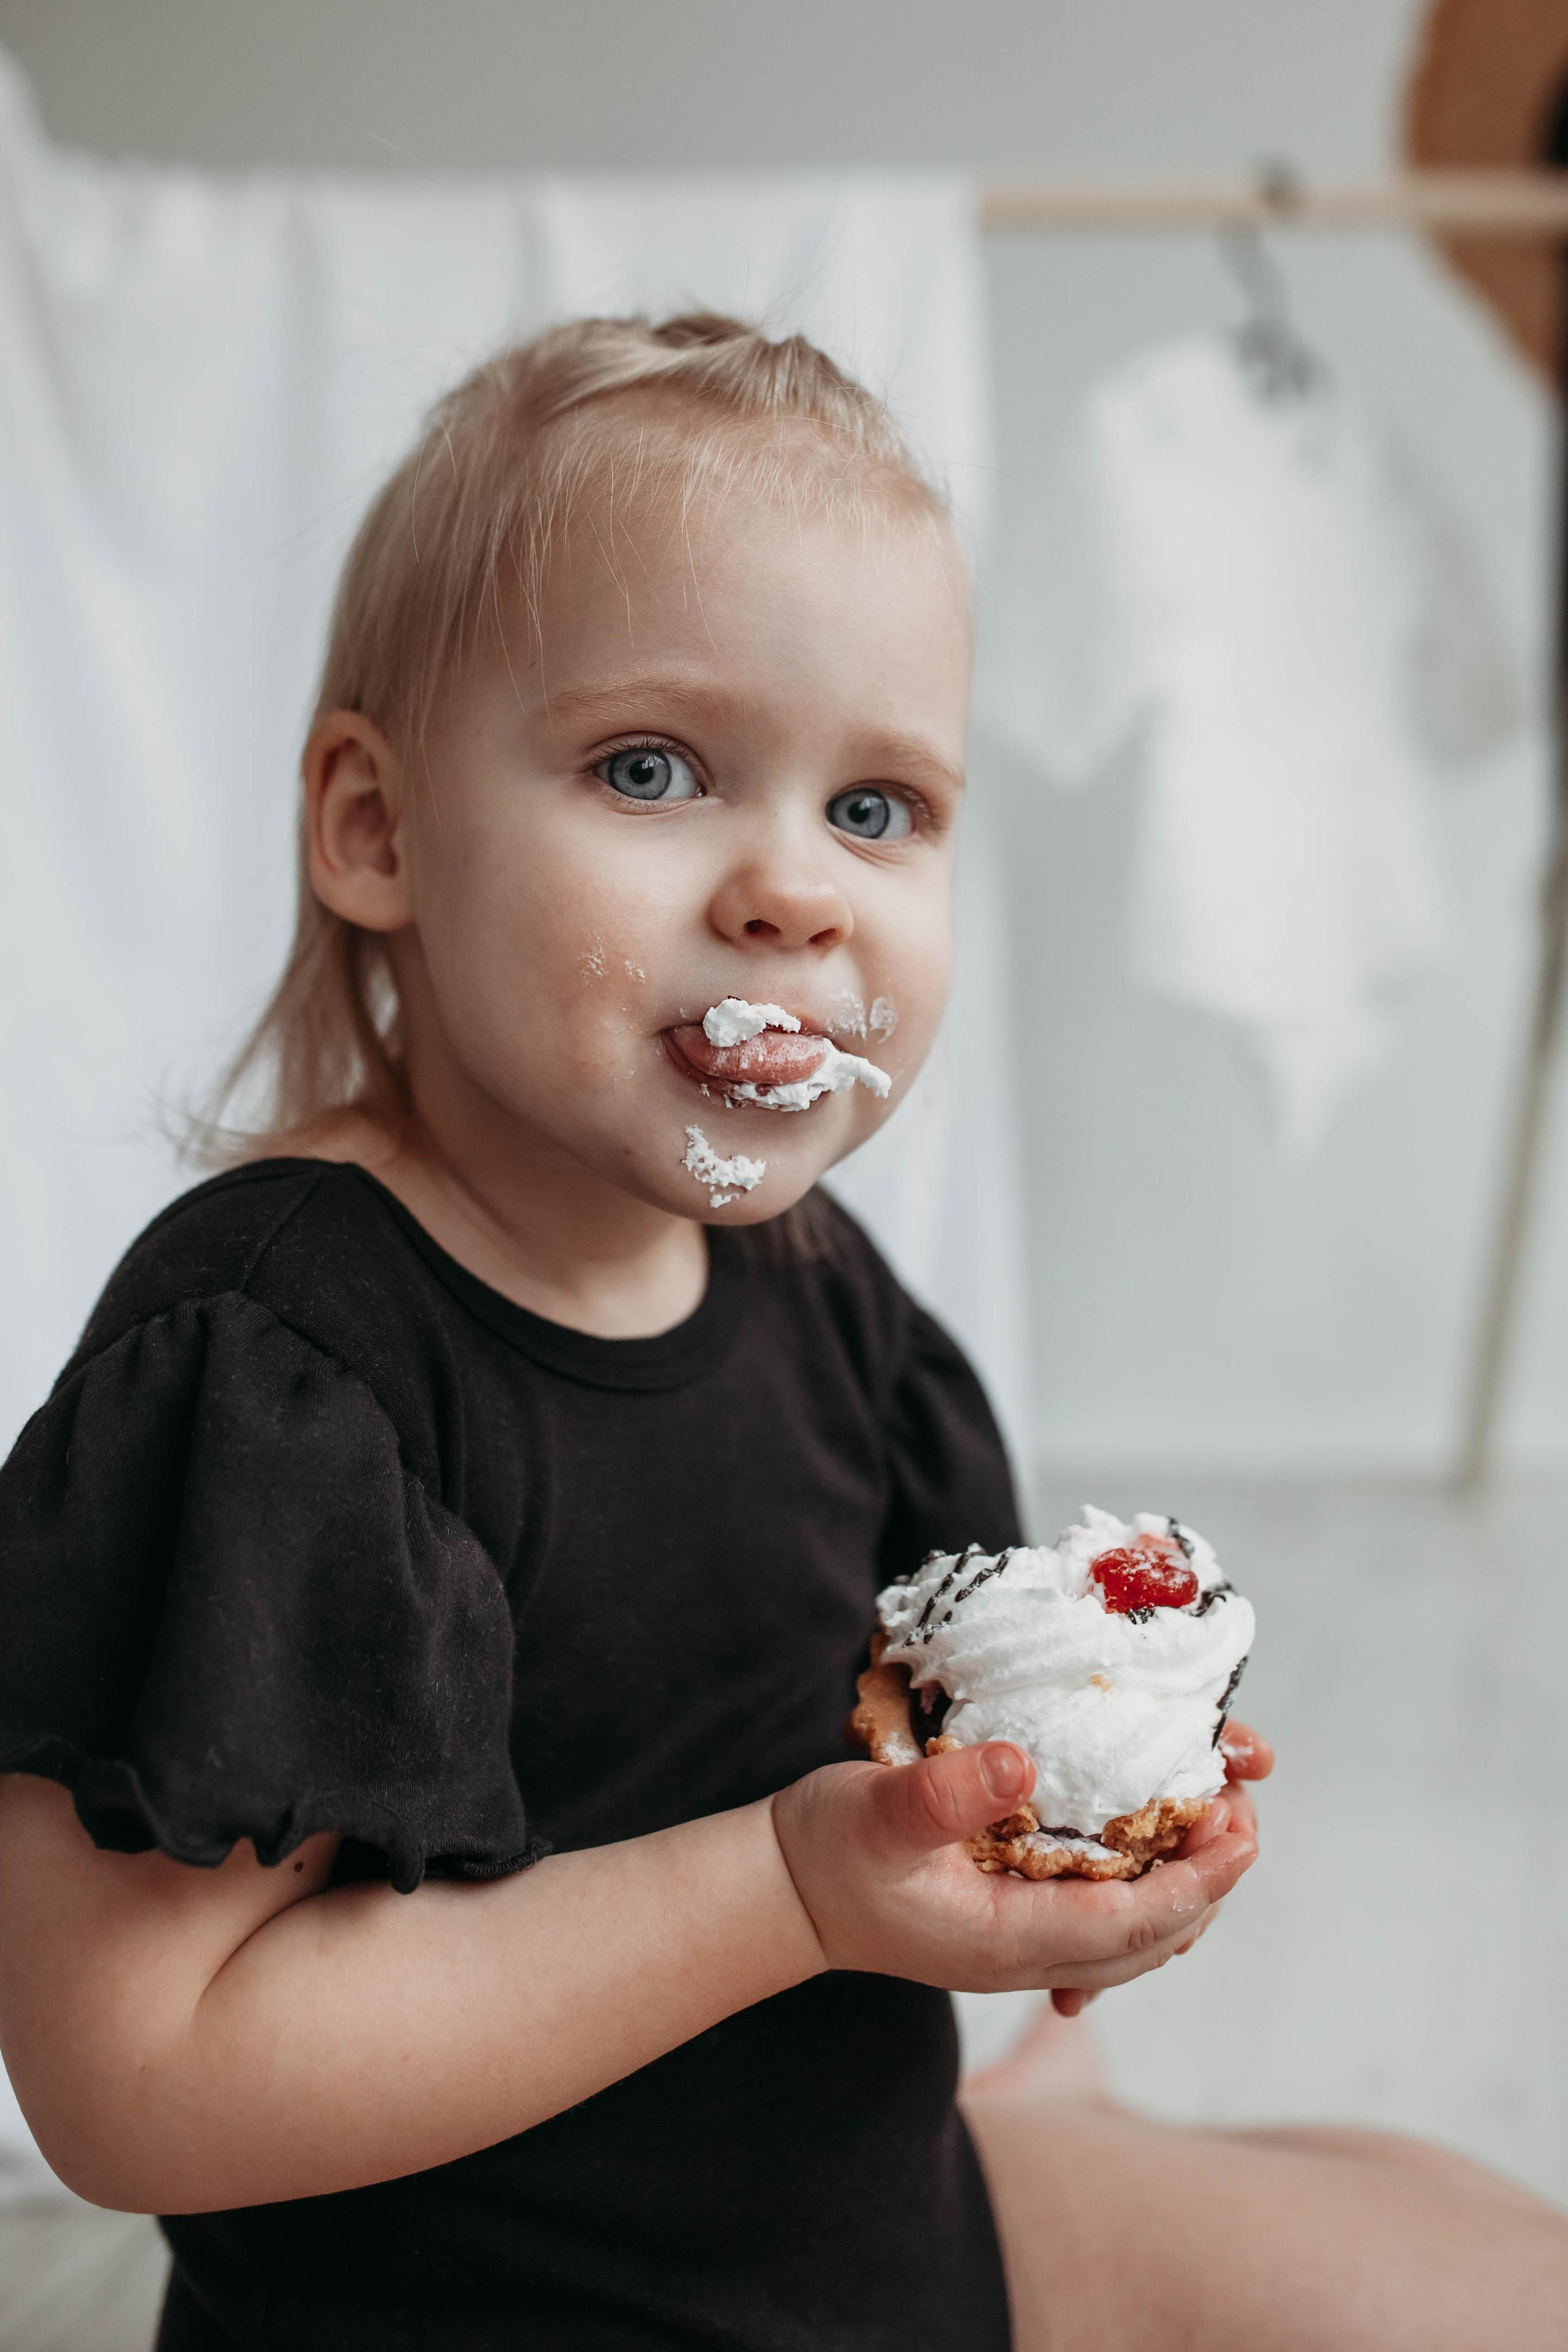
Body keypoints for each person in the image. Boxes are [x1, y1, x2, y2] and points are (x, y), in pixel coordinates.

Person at [0, 313, 1558, 2352]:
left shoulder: (821, 1291)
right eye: (652, 769)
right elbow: (143, 2084)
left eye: (881, 809)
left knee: (1485, 2256)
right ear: (377, 830)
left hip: (876, 2236)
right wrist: (797, 1895)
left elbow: (887, 1762)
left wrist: (1037, 1852)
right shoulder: (284, 1365)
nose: (796, 896)